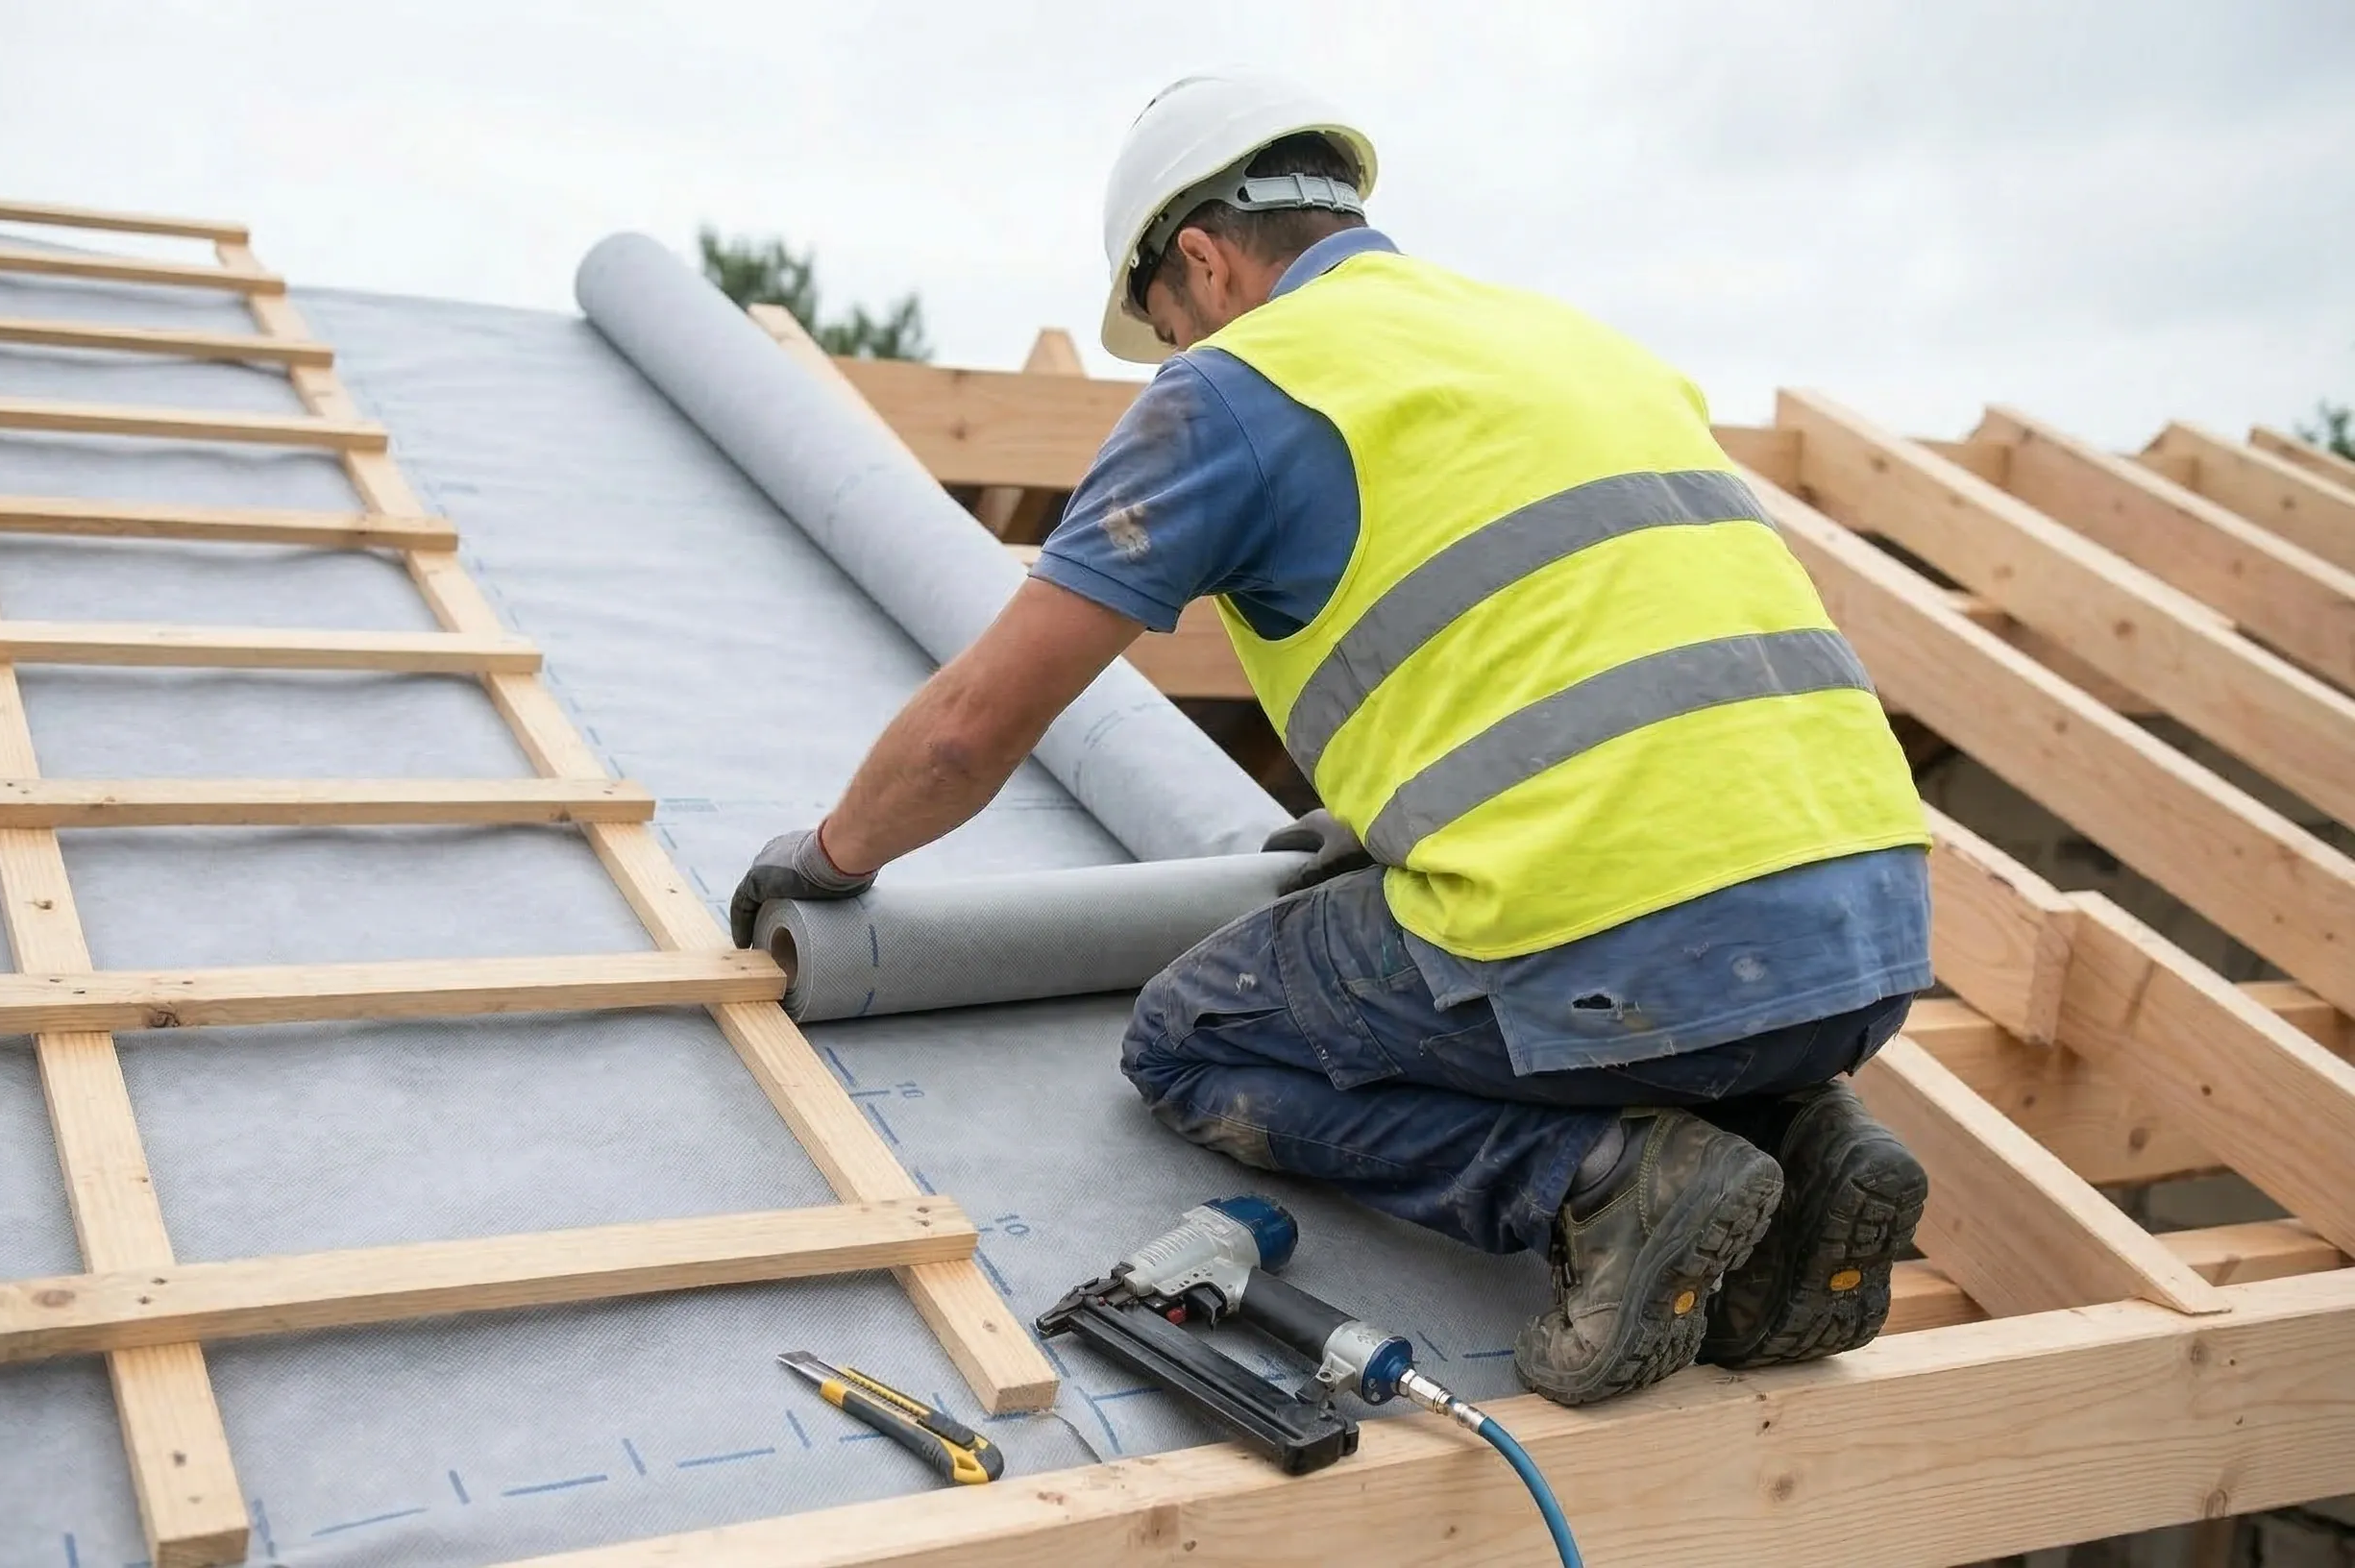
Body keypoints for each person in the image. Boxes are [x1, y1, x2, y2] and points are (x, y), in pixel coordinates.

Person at [730, 72, 1934, 1407]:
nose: (1176, 353)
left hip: (1629, 940)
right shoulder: (1568, 341)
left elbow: (971, 730)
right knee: (1638, 959)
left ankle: (1600, 1181)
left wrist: (831, 859)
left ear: (1202, 261)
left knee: (1192, 1040)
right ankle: (1810, 1148)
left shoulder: (1240, 390)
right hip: (1869, 939)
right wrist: (1384, 821)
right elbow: (1576, 635)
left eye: (1168, 324)